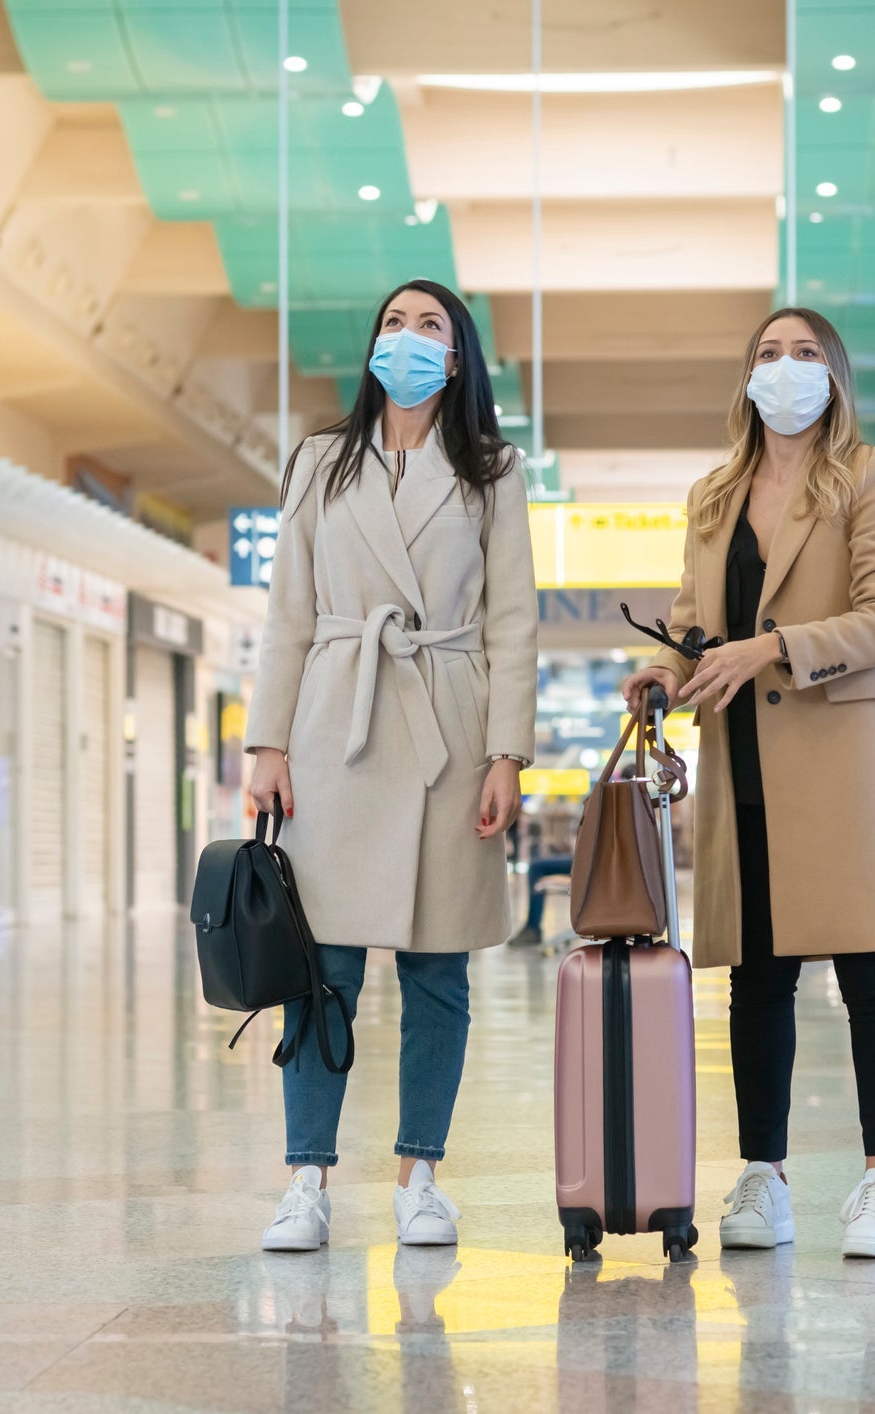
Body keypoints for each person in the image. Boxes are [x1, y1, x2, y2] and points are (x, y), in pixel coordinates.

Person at [622, 305, 875, 1260]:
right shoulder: (714, 494)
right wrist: (665, 675)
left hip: (841, 757)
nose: (783, 368)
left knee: (870, 974)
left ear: (833, 375)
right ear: (745, 375)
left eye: (804, 354)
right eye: (767, 353)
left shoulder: (869, 476)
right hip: (743, 759)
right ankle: (764, 1176)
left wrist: (773, 647)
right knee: (756, 981)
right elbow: (690, 623)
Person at [244, 279, 538, 1253]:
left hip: (446, 728)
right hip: (336, 721)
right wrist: (266, 743)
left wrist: (508, 752)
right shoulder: (321, 461)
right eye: (392, 323)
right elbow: (287, 611)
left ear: (457, 360)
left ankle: (420, 1174)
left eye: (429, 327)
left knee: (436, 966)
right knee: (317, 968)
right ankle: (305, 1178)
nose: (405, 339)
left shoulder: (491, 471)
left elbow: (510, 621)